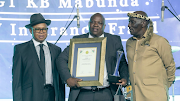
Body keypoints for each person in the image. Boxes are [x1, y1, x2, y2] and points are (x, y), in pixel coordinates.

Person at [56, 13, 129, 101]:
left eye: (99, 23)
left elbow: (122, 63)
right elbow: (61, 59)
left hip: (107, 93)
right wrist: (68, 78)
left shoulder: (114, 40)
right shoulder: (78, 40)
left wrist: (124, 78)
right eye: (93, 22)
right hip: (82, 93)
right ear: (88, 24)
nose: (95, 25)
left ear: (104, 26)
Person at [12, 13, 65, 101]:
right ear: (30, 30)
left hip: (51, 95)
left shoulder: (56, 50)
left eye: (44, 29)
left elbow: (59, 80)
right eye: (37, 29)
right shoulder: (20, 50)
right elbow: (17, 81)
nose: (41, 32)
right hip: (30, 96)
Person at [126, 11, 176, 101]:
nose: (129, 25)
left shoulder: (159, 41)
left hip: (156, 95)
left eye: (132, 22)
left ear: (143, 23)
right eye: (129, 22)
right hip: (136, 95)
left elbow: (170, 66)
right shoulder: (129, 42)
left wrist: (163, 86)